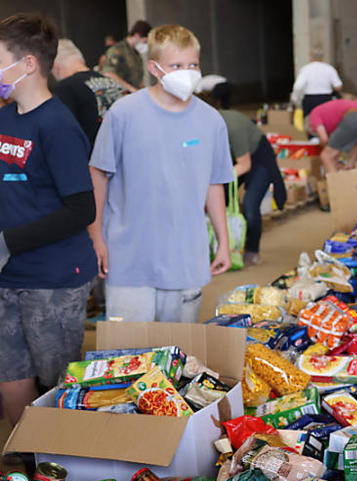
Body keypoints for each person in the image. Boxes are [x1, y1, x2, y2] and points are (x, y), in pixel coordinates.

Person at [90, 24, 233, 323]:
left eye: (193, 64)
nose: (188, 72)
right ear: (155, 68)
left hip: (185, 260)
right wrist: (96, 237)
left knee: (180, 357)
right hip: (129, 259)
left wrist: (223, 241)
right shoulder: (123, 114)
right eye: (177, 65)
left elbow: (214, 183)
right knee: (128, 357)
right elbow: (99, 174)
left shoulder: (211, 122)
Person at [0, 13, 97, 425]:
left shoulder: (58, 126)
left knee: (58, 384)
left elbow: (81, 209)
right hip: (8, 276)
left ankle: (61, 471)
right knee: (10, 374)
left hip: (54, 280)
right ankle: (25, 463)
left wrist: (9, 241)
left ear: (27, 64)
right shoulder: (4, 119)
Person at [218, 109, 287, 266]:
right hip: (233, 160)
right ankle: (224, 247)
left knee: (250, 204)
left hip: (257, 158)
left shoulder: (233, 127)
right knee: (221, 198)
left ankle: (252, 250)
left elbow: (244, 165)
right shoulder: (204, 131)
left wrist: (217, 179)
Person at [52, 39, 126, 148]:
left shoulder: (66, 88)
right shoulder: (113, 82)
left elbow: (63, 135)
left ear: (55, 67)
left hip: (94, 160)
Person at [308, 98, 357, 174]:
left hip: (353, 117)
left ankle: (336, 185)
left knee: (326, 156)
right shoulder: (331, 117)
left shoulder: (313, 115)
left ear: (310, 126)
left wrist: (329, 151)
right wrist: (352, 162)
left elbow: (324, 139)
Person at [99, 20, 150, 93]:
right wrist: (133, 90)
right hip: (120, 95)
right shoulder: (117, 50)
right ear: (137, 35)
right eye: (145, 42)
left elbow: (137, 79)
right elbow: (109, 74)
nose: (145, 45)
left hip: (133, 95)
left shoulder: (135, 53)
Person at [291, 50, 343, 118]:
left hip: (310, 100)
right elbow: (338, 87)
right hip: (326, 99)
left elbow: (298, 86)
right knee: (326, 121)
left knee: (309, 123)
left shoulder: (305, 69)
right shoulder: (329, 68)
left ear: (311, 56)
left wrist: (295, 99)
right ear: (322, 57)